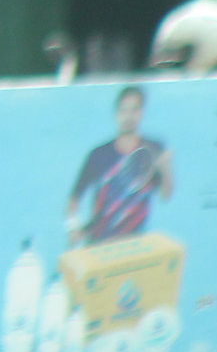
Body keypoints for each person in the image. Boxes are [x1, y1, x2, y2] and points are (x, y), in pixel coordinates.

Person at [67, 84, 172, 246]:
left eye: (134, 110)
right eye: (123, 110)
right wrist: (73, 228)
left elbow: (165, 195)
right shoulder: (98, 155)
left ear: (141, 113)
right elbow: (74, 198)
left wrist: (166, 168)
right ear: (116, 114)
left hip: (135, 246)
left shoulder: (154, 149)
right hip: (99, 244)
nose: (128, 117)